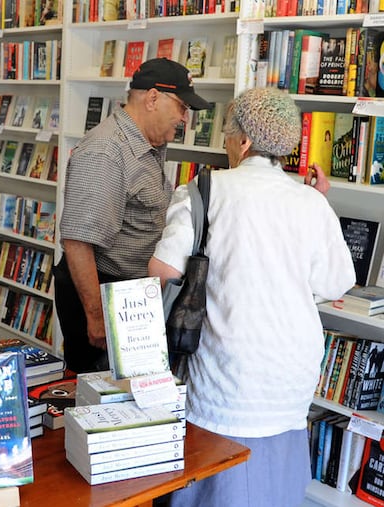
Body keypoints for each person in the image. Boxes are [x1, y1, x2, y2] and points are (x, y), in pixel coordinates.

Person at [148, 87, 355, 507]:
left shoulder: (205, 190)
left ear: (242, 142)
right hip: (289, 381)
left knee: (214, 486)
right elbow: (336, 282)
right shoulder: (310, 203)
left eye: (227, 135)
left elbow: (162, 272)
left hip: (226, 380)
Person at [55, 58, 210, 373]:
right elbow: (78, 242)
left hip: (129, 296)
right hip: (105, 295)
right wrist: (97, 318)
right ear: (153, 98)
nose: (184, 118)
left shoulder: (145, 146)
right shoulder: (106, 152)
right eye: (182, 107)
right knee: (99, 396)